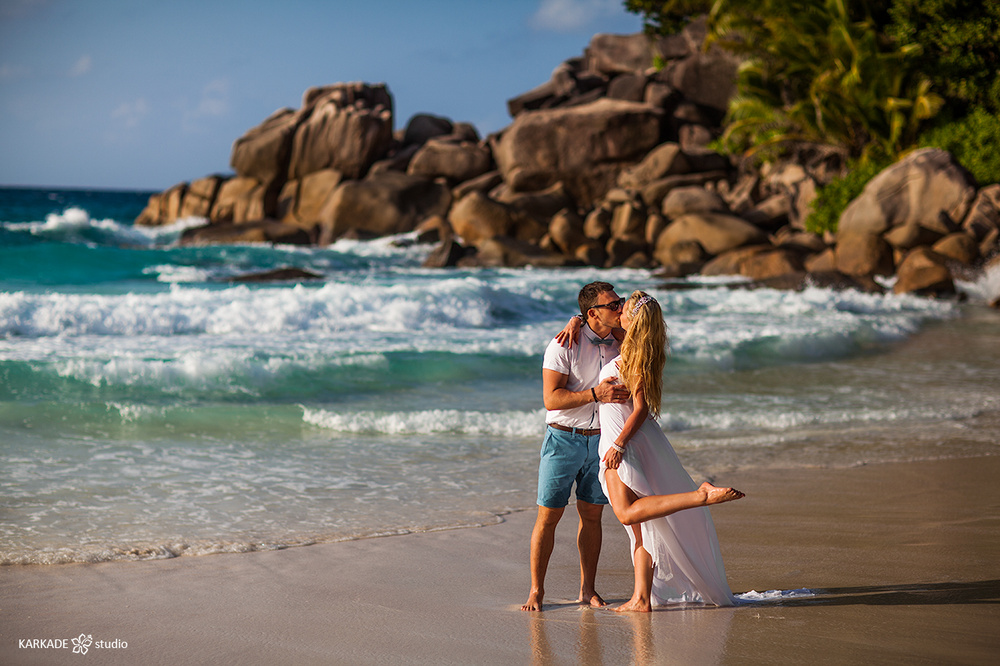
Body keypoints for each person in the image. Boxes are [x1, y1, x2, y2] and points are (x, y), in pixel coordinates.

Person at [599, 291, 744, 612]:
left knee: (626, 514)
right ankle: (641, 598)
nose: (618, 309)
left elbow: (639, 408)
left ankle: (700, 496)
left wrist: (619, 445)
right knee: (641, 528)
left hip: (624, 441)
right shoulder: (638, 350)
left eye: (623, 308)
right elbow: (595, 322)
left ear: (632, 320)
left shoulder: (633, 357)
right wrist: (576, 321)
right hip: (631, 439)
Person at [521, 282, 630, 612]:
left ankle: (588, 589)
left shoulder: (621, 340)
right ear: (593, 313)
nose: (621, 308)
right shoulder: (562, 344)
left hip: (602, 440)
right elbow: (551, 399)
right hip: (562, 439)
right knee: (548, 517)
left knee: (592, 517)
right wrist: (596, 394)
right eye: (614, 305)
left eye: (621, 302)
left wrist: (577, 317)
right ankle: (537, 591)